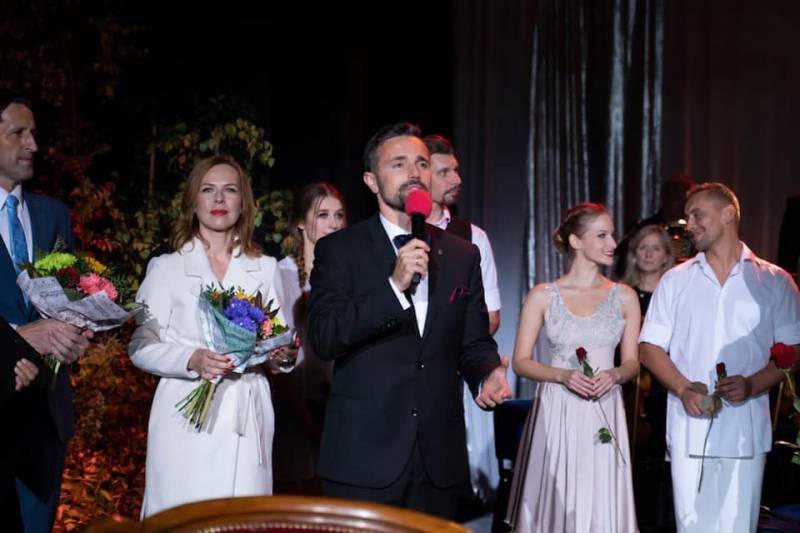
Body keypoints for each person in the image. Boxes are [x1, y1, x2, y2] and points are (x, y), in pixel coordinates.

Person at [307, 122, 512, 520]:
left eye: (421, 163)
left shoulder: (462, 254)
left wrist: (486, 374)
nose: (414, 172)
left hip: (436, 461)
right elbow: (325, 337)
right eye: (398, 164)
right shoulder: (340, 250)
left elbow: (473, 341)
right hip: (363, 457)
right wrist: (393, 287)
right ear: (371, 180)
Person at [129, 154, 288, 517]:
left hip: (246, 416)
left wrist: (283, 356)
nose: (219, 199)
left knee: (243, 521)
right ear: (193, 201)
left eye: (229, 190)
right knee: (184, 518)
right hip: (186, 414)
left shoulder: (265, 268)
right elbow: (140, 346)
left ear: (243, 202)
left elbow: (280, 341)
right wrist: (191, 359)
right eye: (208, 189)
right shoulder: (167, 267)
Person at [639, 182, 800, 533]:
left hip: (746, 431)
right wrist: (684, 389)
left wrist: (752, 384)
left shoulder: (774, 281)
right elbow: (649, 347)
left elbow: (792, 351)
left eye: (698, 215)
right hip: (688, 429)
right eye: (687, 217)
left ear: (728, 214)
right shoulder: (675, 280)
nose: (690, 224)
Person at [507, 202, 640, 533]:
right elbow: (521, 362)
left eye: (612, 235)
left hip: (604, 407)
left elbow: (633, 363)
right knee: (558, 504)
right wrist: (563, 375)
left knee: (600, 508)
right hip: (558, 409)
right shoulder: (543, 295)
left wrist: (615, 374)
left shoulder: (624, 296)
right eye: (602, 235)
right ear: (576, 241)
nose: (613, 243)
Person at [0, 95, 92, 532]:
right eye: (18, 133)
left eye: (33, 133)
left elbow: (73, 301)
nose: (33, 145)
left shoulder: (54, 215)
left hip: (45, 424)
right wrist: (18, 337)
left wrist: (77, 336)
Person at [422, 133, 502, 512]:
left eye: (456, 170)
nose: (457, 179)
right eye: (445, 172)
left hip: (446, 381)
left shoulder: (472, 238)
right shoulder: (390, 233)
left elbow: (490, 318)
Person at [272, 182, 346, 495]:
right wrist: (304, 418)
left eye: (339, 215)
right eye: (323, 215)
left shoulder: (350, 274)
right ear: (301, 222)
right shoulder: (282, 274)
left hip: (338, 404)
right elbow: (278, 350)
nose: (333, 223)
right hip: (294, 402)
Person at [621, 224, 675, 531]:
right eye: (643, 247)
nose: (649, 254)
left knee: (659, 460)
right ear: (634, 254)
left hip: (663, 388)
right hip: (627, 386)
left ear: (667, 255)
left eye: (656, 248)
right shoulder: (620, 293)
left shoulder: (674, 294)